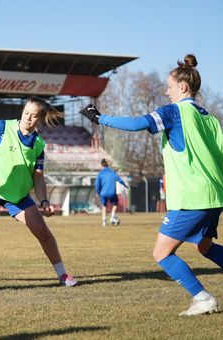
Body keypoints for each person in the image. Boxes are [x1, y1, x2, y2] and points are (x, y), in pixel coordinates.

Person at [80, 54, 223, 316]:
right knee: (204, 247)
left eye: (169, 87)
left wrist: (100, 119)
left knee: (162, 253)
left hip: (192, 198)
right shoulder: (211, 119)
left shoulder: (175, 111)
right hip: (214, 197)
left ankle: (203, 299)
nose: (166, 92)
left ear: (182, 87)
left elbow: (138, 124)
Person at [0, 96, 77, 287]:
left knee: (43, 232)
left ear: (40, 118)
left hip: (17, 196)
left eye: (34, 116)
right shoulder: (1, 127)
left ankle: (62, 274)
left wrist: (44, 201)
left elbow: (38, 175)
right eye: (26, 113)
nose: (28, 118)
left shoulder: (38, 145)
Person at [95, 158, 128, 227]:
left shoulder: (100, 174)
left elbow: (97, 184)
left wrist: (98, 192)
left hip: (103, 193)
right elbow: (119, 179)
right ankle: (112, 216)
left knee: (104, 206)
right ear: (108, 165)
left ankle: (104, 222)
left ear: (101, 165)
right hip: (111, 192)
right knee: (115, 203)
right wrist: (125, 185)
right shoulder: (112, 172)